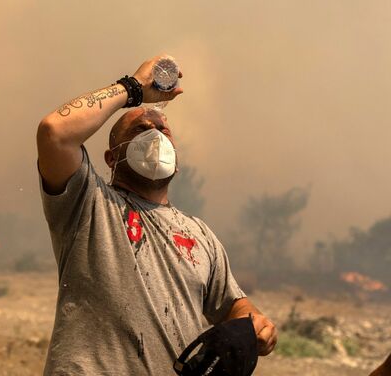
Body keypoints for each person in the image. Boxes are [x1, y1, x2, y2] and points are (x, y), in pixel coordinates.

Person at [35, 55, 277, 375]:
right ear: (111, 157)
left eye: (163, 129)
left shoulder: (199, 235)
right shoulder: (88, 205)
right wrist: (133, 89)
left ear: (176, 158)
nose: (155, 133)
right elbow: (55, 132)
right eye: (140, 128)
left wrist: (255, 324)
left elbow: (232, 304)